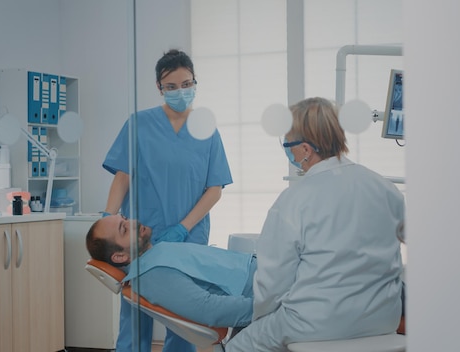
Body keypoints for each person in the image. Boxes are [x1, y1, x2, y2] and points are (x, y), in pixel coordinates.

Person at [226, 97, 405, 352]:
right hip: (382, 320)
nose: (288, 151)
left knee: (237, 346)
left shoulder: (294, 200)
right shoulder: (386, 189)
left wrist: (259, 319)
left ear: (306, 149)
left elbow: (272, 282)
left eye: (288, 144)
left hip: (314, 322)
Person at [102, 49, 233, 352]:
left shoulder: (207, 130)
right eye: (171, 87)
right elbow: (123, 176)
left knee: (181, 317)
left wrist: (183, 227)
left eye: (186, 84)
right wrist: (108, 220)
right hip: (140, 234)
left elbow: (214, 189)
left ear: (195, 83)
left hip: (188, 235)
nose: (180, 92)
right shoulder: (138, 124)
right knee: (136, 310)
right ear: (160, 88)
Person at [86, 214, 255, 328]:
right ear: (120, 256)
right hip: (262, 288)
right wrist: (270, 303)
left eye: (126, 218)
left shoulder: (154, 256)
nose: (133, 222)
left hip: (263, 274)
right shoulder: (152, 274)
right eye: (124, 229)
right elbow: (209, 310)